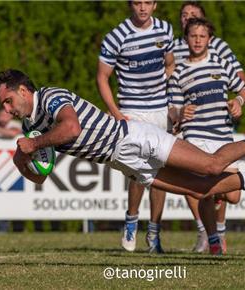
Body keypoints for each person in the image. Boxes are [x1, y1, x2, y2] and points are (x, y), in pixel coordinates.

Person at [0, 69, 245, 251]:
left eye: (7, 100)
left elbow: (71, 128)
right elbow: (42, 176)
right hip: (126, 163)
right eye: (2, 105)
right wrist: (22, 165)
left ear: (23, 90)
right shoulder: (32, 126)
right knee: (200, 190)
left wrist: (33, 143)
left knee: (212, 166)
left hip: (135, 138)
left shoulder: (51, 96)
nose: (6, 109)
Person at [96, 0, 175, 253]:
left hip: (159, 111)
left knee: (160, 172)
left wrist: (168, 96)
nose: (142, 8)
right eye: (137, 2)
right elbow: (102, 77)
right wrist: (117, 112)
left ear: (155, 5)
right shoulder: (116, 36)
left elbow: (170, 63)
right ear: (130, 5)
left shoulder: (165, 29)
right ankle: (131, 221)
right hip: (131, 111)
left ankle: (154, 233)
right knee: (139, 171)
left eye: (147, 2)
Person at [168, 18, 245, 255]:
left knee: (233, 195)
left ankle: (214, 194)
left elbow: (244, 89)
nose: (197, 40)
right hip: (196, 135)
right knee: (203, 188)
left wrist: (239, 101)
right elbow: (172, 109)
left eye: (202, 36)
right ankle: (213, 239)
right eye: (193, 36)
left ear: (209, 39)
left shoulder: (222, 64)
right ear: (186, 39)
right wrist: (180, 112)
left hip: (222, 134)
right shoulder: (179, 72)